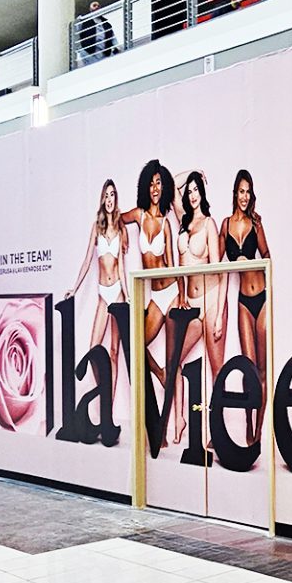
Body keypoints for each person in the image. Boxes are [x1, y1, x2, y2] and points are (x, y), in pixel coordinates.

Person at [119, 160, 185, 444]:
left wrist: (182, 295)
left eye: (159, 183)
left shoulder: (167, 223)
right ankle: (158, 373)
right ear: (145, 186)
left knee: (173, 358)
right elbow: (117, 218)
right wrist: (123, 233)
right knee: (137, 344)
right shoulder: (139, 215)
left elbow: (173, 263)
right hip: (155, 297)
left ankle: (166, 429)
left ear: (164, 187)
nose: (155, 188)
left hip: (170, 293)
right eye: (151, 183)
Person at [64, 179, 129, 407]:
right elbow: (86, 261)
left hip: (118, 293)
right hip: (103, 293)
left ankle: (107, 407)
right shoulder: (97, 227)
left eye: (112, 195)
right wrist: (75, 288)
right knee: (94, 349)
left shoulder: (121, 228)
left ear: (116, 198)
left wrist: (128, 296)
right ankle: (104, 392)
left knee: (114, 352)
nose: (109, 199)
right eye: (106, 195)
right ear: (102, 199)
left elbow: (121, 266)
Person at [223, 169, 270, 445]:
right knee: (248, 368)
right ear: (235, 193)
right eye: (241, 191)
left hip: (261, 298)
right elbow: (217, 263)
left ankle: (258, 432)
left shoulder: (256, 223)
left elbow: (267, 256)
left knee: (262, 369)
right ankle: (248, 424)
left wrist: (254, 265)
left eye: (248, 192)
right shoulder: (225, 225)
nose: (245, 196)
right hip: (242, 301)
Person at [178, 171, 226, 407]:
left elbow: (221, 271)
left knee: (217, 370)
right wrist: (193, 171)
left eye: (196, 189)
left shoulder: (209, 223)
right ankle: (180, 420)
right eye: (189, 191)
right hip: (191, 304)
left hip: (211, 300)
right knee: (175, 360)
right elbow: (172, 183)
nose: (192, 195)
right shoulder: (183, 221)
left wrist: (219, 316)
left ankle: (217, 426)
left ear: (202, 192)